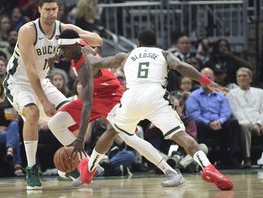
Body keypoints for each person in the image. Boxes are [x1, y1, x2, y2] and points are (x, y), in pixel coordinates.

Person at [76, 29, 234, 191]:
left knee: (111, 132)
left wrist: (88, 53)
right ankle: (207, 166)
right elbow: (181, 66)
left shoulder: (126, 55)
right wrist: (207, 82)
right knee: (181, 135)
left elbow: (97, 64)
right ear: (156, 44)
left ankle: (89, 170)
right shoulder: (163, 54)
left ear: (138, 44)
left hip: (132, 97)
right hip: (156, 96)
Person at [48, 29, 185, 188]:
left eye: (64, 49)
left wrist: (79, 139)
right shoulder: (77, 47)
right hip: (94, 96)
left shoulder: (86, 65)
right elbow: (76, 41)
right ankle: (90, 165)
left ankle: (171, 172)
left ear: (74, 46)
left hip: (112, 97)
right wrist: (58, 55)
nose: (62, 52)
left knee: (129, 138)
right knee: (55, 123)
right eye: (61, 49)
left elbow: (87, 104)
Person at [3, 0, 103, 190]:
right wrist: (44, 102)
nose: (51, 13)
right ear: (39, 10)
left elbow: (97, 40)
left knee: (72, 112)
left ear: (58, 10)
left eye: (54, 9)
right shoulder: (28, 30)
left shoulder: (62, 28)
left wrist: (73, 37)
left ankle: (70, 164)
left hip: (42, 81)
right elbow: (31, 69)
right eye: (47, 9)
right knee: (32, 113)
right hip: (18, 82)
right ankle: (31, 169)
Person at [185, 67, 242, 168]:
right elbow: (193, 114)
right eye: (202, 77)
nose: (205, 80)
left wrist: (220, 121)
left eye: (208, 77)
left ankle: (234, 158)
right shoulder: (193, 96)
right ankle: (205, 160)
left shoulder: (220, 95)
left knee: (233, 122)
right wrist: (208, 123)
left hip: (220, 125)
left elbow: (226, 112)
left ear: (213, 79)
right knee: (199, 124)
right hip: (204, 125)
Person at [226, 67, 263, 168]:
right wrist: (251, 124)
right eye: (239, 76)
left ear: (250, 79)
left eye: (244, 76)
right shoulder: (231, 93)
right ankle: (247, 157)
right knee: (244, 125)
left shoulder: (260, 92)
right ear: (237, 80)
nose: (242, 78)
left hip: (259, 122)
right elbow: (236, 111)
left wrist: (258, 124)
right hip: (244, 121)